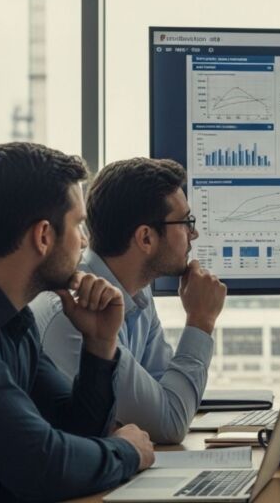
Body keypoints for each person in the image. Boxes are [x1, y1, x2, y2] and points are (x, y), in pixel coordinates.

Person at [0, 142, 154, 502]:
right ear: (43, 236)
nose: (84, 241)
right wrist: (128, 452)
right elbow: (42, 465)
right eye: (78, 225)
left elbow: (76, 431)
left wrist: (100, 345)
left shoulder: (13, 317)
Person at [31, 157, 227, 444]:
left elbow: (166, 393)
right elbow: (169, 423)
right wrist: (200, 322)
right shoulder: (74, 312)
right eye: (185, 222)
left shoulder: (138, 292)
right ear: (146, 238)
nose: (193, 234)